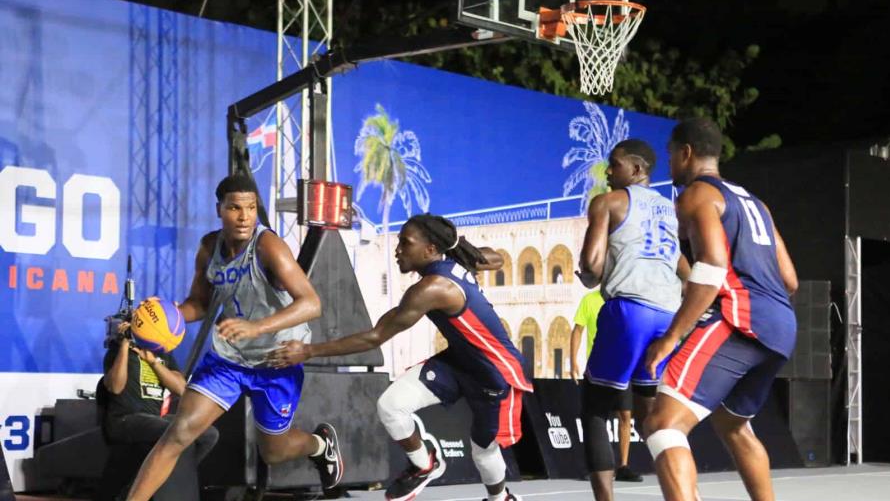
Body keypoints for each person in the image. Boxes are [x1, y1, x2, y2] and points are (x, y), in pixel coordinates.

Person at [265, 214, 528, 501]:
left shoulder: (431, 289)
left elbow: (374, 337)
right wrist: (461, 248)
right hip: (458, 362)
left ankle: (500, 497)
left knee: (483, 448)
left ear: (429, 250)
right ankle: (425, 463)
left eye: (406, 243)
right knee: (391, 406)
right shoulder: (449, 266)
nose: (398, 249)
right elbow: (496, 259)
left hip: (494, 371)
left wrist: (307, 350)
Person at [125, 175, 342, 501]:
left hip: (276, 359)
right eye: (235, 208)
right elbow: (198, 304)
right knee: (178, 434)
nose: (244, 217)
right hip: (229, 359)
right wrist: (159, 316)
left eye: (251, 208)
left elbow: (311, 303)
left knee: (274, 451)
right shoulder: (210, 248)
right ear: (219, 209)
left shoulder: (268, 246)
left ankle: (319, 445)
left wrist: (257, 327)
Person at [642, 118, 798, 501]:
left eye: (670, 156)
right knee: (732, 424)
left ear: (686, 153)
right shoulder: (754, 203)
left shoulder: (696, 195)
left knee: (663, 425)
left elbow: (710, 269)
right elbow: (790, 280)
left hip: (739, 318)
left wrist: (671, 338)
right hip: (781, 325)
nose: (670, 164)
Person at [576, 139, 690, 501]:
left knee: (595, 408)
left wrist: (591, 278)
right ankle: (683, 493)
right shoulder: (671, 210)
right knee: (650, 414)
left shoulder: (609, 202)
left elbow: (592, 267)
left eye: (615, 164)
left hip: (631, 313)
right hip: (668, 316)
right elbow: (684, 270)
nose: (608, 171)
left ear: (637, 170)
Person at [100, 326, 219, 501]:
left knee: (209, 434)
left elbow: (181, 388)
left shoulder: (162, 355)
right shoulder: (118, 351)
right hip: (124, 419)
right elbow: (115, 387)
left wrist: (154, 362)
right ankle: (133, 491)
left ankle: (165, 473)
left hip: (155, 420)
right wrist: (124, 345)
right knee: (172, 430)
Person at [568, 289, 642, 483]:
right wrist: (572, 361)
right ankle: (597, 466)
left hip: (624, 366)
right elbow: (578, 330)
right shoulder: (589, 300)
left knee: (625, 415)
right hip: (598, 366)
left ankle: (623, 466)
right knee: (597, 417)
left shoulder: (625, 300)